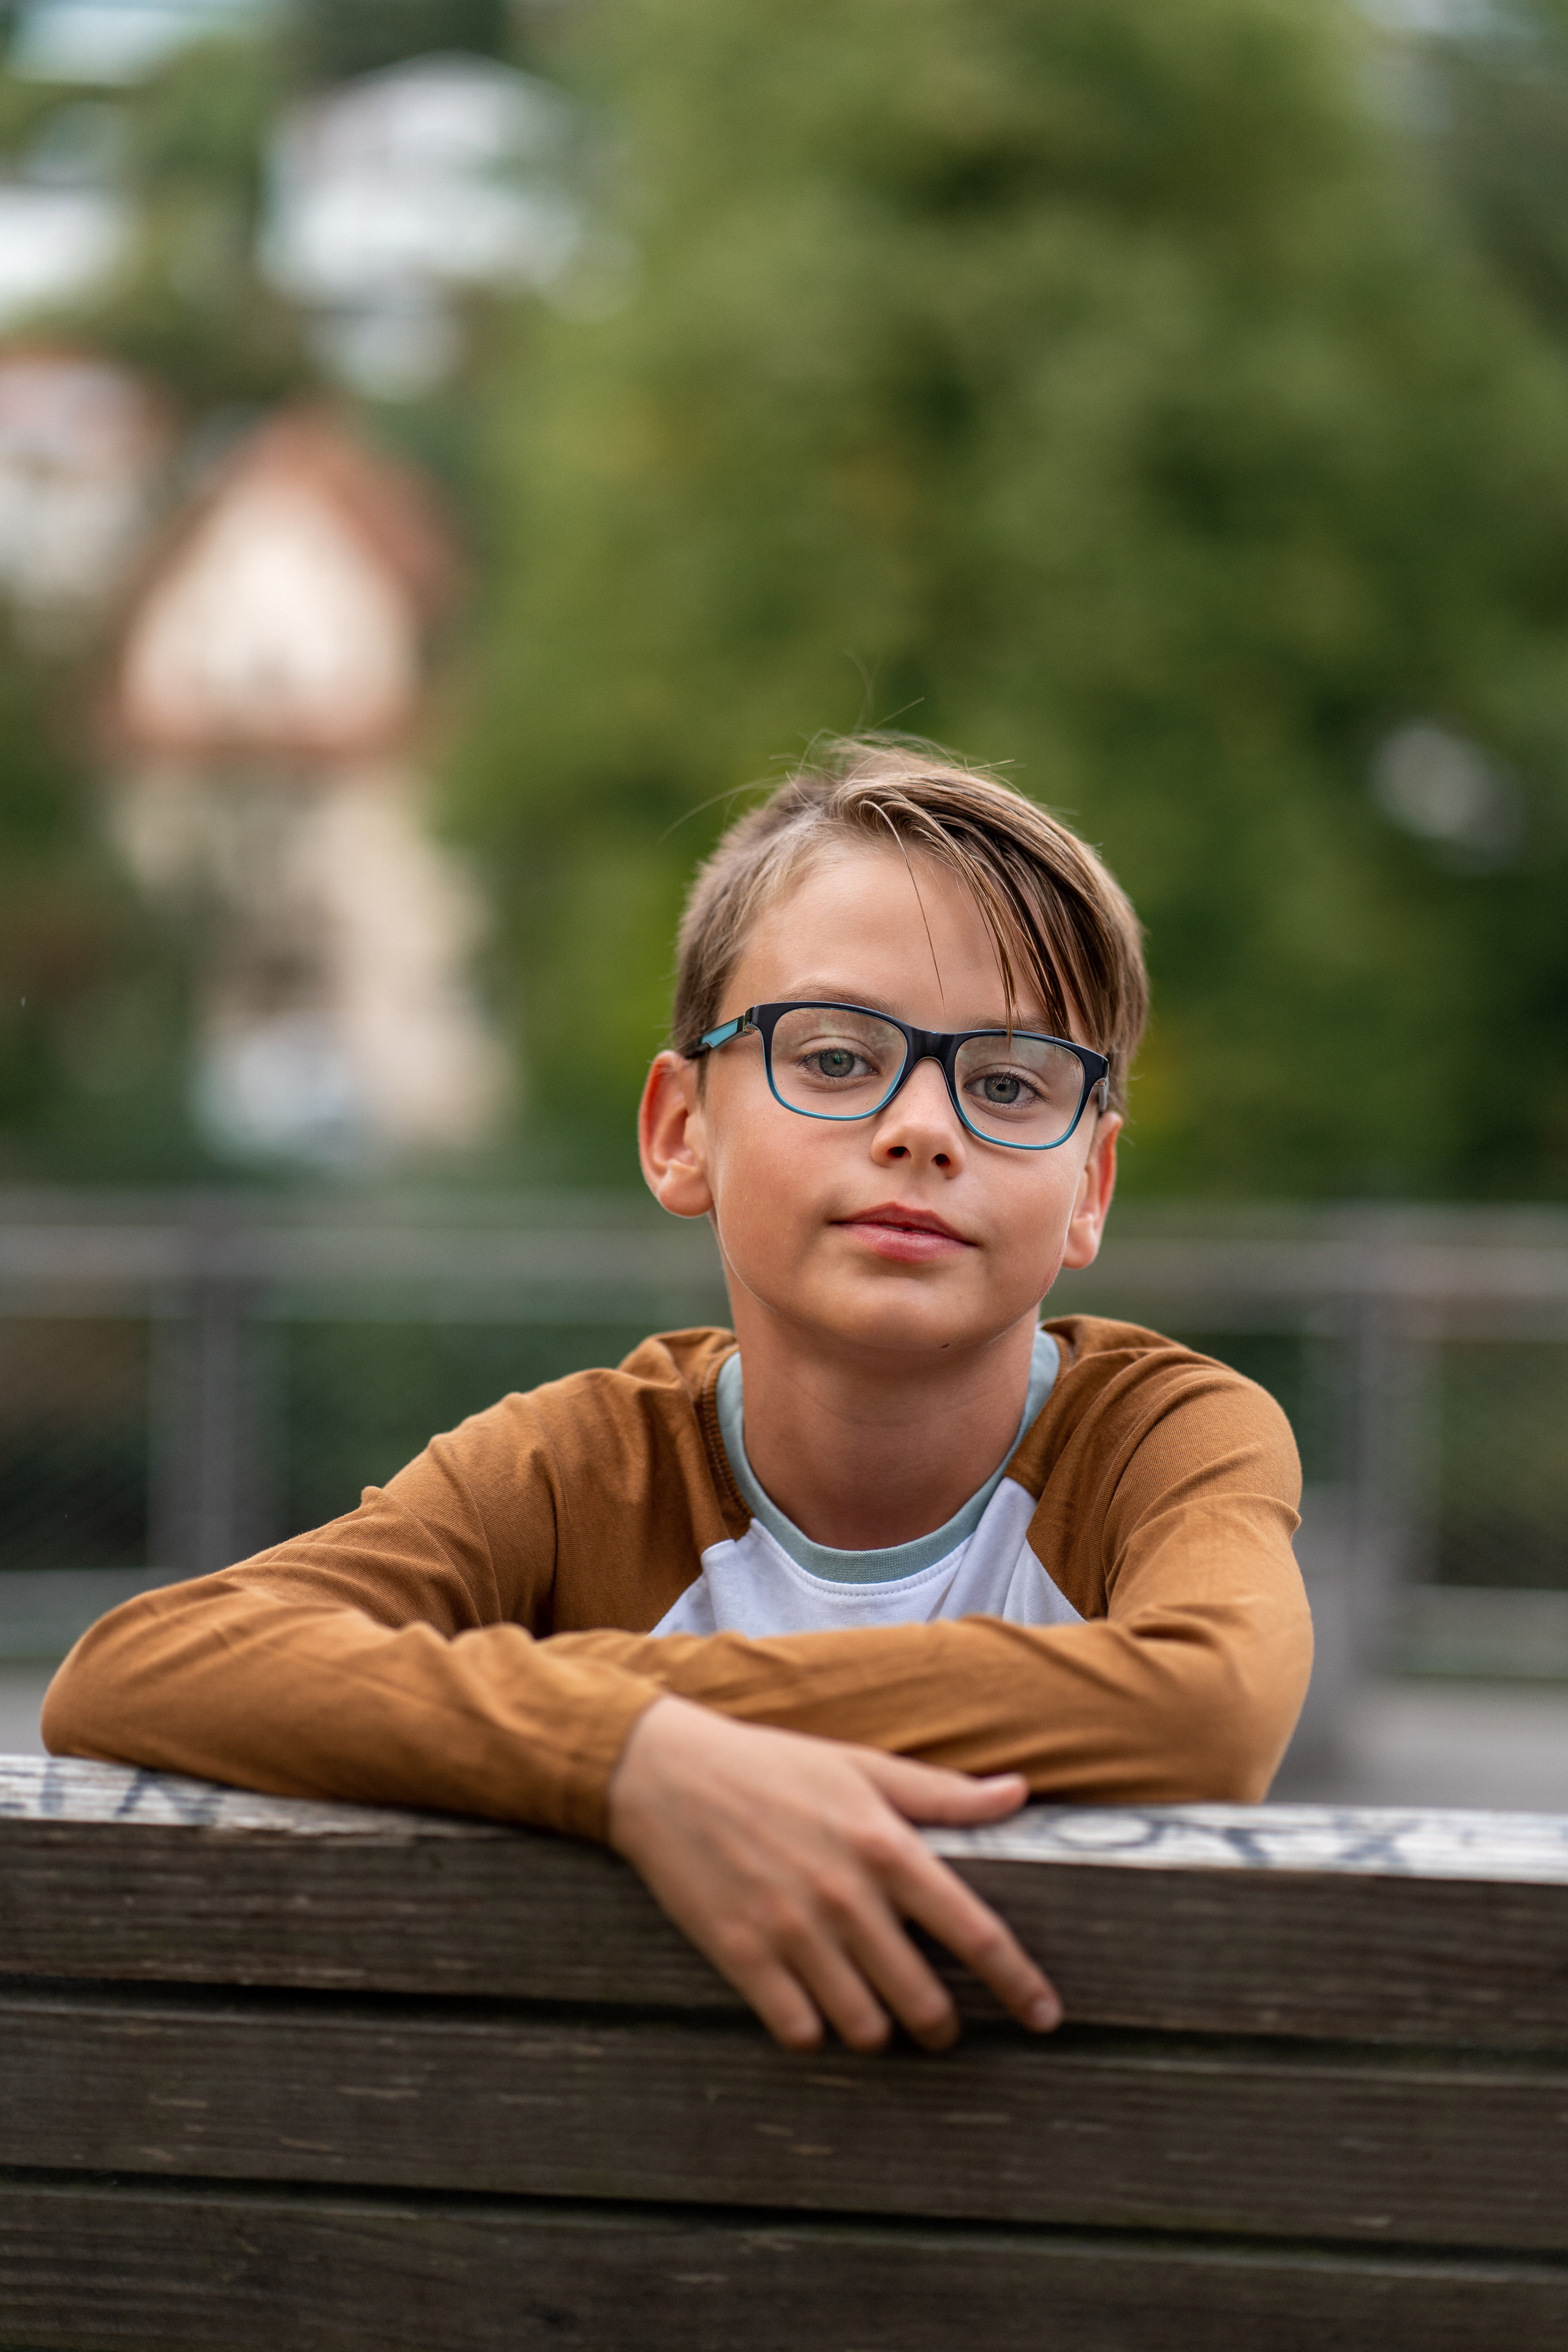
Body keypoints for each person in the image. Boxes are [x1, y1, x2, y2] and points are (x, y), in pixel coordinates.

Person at [43, 737, 1312, 2057]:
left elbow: (1204, 1703)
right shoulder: (573, 1467)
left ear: (1091, 1187)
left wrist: (611, 1712)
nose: (923, 1126)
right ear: (677, 1130)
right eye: (831, 1057)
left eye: (1005, 1083)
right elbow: (138, 1672)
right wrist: (623, 1758)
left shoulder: (1165, 1436)